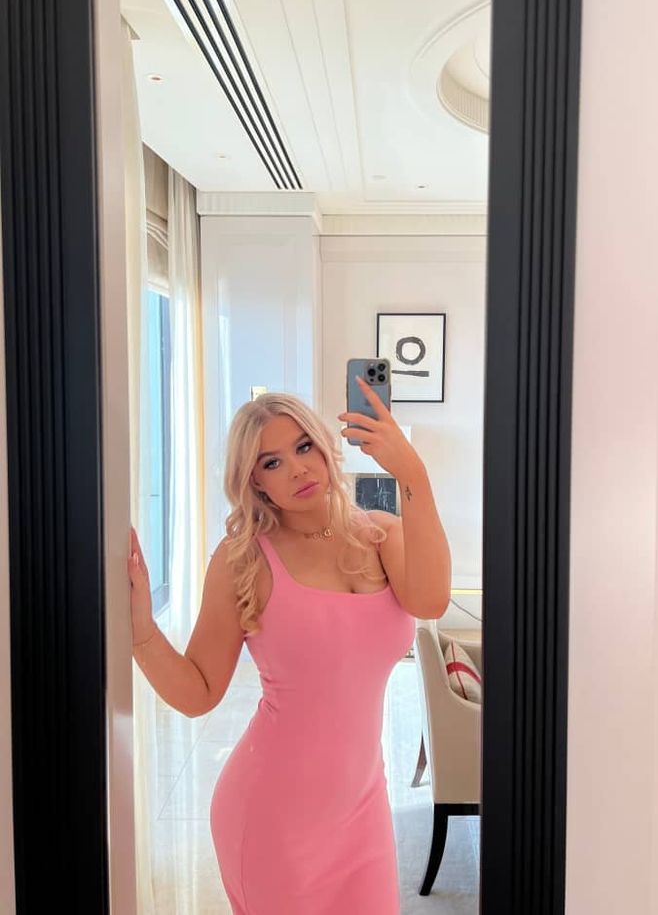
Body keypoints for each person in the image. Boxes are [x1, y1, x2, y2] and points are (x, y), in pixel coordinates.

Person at [128, 376, 451, 914]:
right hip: (274, 816)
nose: (297, 469)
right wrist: (140, 631)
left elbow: (432, 599)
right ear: (255, 483)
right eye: (271, 462)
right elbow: (199, 692)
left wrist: (411, 471)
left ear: (324, 446)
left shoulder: (381, 534)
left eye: (303, 447)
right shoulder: (244, 558)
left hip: (364, 810)